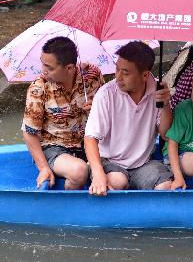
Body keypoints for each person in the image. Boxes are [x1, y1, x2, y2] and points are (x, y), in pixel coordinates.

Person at [84, 41, 175, 195]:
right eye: (117, 69)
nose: (118, 76)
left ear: (145, 75)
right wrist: (98, 174)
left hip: (143, 163)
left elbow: (166, 134)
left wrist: (165, 105)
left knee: (165, 187)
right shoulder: (106, 94)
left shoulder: (158, 92)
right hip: (109, 161)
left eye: (125, 72)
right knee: (117, 182)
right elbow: (90, 138)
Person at [22, 36, 105, 190]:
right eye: (43, 64)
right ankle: (69, 207)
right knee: (79, 171)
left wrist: (98, 109)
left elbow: (109, 112)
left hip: (91, 143)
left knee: (114, 174)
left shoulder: (92, 76)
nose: (43, 71)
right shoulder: (39, 87)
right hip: (54, 146)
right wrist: (43, 168)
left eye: (50, 68)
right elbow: (29, 132)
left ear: (69, 68)